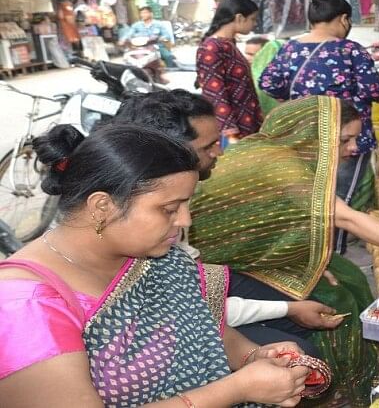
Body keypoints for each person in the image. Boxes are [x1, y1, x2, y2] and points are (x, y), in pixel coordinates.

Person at [0, 123, 311, 407]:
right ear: (102, 207)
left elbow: (206, 333)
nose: (185, 220)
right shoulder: (25, 305)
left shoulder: (156, 259)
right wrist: (236, 389)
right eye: (169, 209)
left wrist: (255, 356)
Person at [189, 96, 379, 407]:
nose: (353, 148)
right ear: (313, 134)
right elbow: (344, 216)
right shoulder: (282, 165)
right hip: (214, 268)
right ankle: (341, 389)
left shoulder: (273, 150)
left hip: (234, 260)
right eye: (345, 139)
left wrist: (306, 258)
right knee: (335, 301)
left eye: (355, 138)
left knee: (347, 274)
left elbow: (270, 225)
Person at [111, 89, 338, 358]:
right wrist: (286, 311)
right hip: (175, 312)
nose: (219, 151)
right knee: (299, 354)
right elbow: (193, 304)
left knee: (303, 307)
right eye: (207, 147)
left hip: (194, 284)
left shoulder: (165, 196)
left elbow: (193, 280)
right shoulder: (134, 223)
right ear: (167, 151)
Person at [259, 0, 379, 253]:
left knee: (310, 197)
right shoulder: (351, 51)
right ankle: (333, 256)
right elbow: (372, 90)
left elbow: (268, 83)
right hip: (348, 140)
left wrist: (297, 100)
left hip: (303, 138)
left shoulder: (290, 48)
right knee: (340, 200)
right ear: (343, 19)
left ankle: (308, 254)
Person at [196, 0, 262, 143]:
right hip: (232, 132)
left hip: (246, 124)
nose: (254, 24)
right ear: (239, 18)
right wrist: (231, 135)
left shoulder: (228, 44)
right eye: (252, 19)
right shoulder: (212, 47)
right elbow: (215, 93)